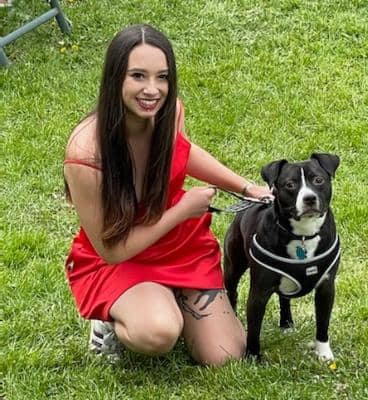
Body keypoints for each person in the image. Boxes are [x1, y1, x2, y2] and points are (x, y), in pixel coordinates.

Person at [63, 24, 272, 366]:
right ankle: (112, 320)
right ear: (115, 78)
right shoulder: (86, 154)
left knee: (224, 355)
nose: (152, 90)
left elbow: (182, 151)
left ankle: (164, 297)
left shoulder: (168, 111)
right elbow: (111, 250)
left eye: (162, 77)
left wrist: (246, 187)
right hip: (120, 256)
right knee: (158, 333)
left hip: (178, 245)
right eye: (138, 76)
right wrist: (183, 210)